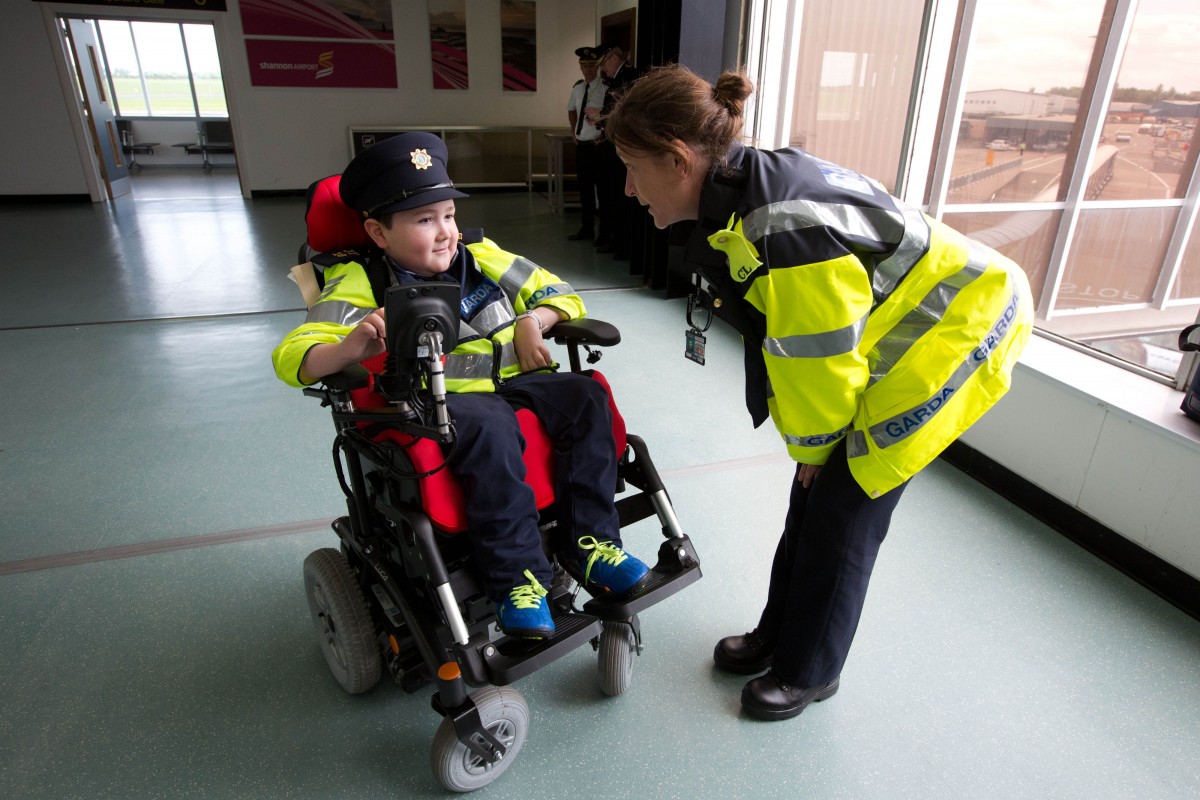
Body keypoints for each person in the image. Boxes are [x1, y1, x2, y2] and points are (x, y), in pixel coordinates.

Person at [604, 65, 1033, 720]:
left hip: (963, 327)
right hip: (903, 333)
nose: (630, 190)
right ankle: (779, 634)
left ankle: (810, 671)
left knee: (843, 509)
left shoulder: (781, 223)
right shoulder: (744, 194)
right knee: (811, 504)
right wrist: (812, 450)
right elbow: (800, 344)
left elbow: (820, 360)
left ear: (677, 158)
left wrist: (816, 449)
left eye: (634, 169)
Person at [271, 132, 650, 640]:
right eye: (425, 220)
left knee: (586, 397)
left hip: (516, 382)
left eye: (448, 214)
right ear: (378, 233)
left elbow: (562, 294)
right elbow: (294, 355)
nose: (446, 231)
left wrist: (533, 321)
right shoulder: (360, 280)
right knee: (491, 426)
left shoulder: (484, 255)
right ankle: (518, 580)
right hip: (441, 405)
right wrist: (350, 348)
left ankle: (590, 546)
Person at [588, 45, 639, 260]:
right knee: (609, 196)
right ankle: (615, 240)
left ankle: (623, 245)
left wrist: (600, 115)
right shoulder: (617, 79)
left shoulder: (629, 76)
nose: (603, 69)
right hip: (610, 146)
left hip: (620, 150)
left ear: (615, 58)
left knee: (619, 198)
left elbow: (626, 111)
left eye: (604, 64)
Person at [566, 46, 606, 241]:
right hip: (582, 146)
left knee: (603, 191)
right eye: (585, 66)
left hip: (598, 146)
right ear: (580, 67)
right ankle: (587, 228)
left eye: (592, 65)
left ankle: (605, 233)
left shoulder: (605, 88)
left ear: (597, 67)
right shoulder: (578, 88)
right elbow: (571, 109)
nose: (589, 70)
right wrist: (573, 131)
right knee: (585, 190)